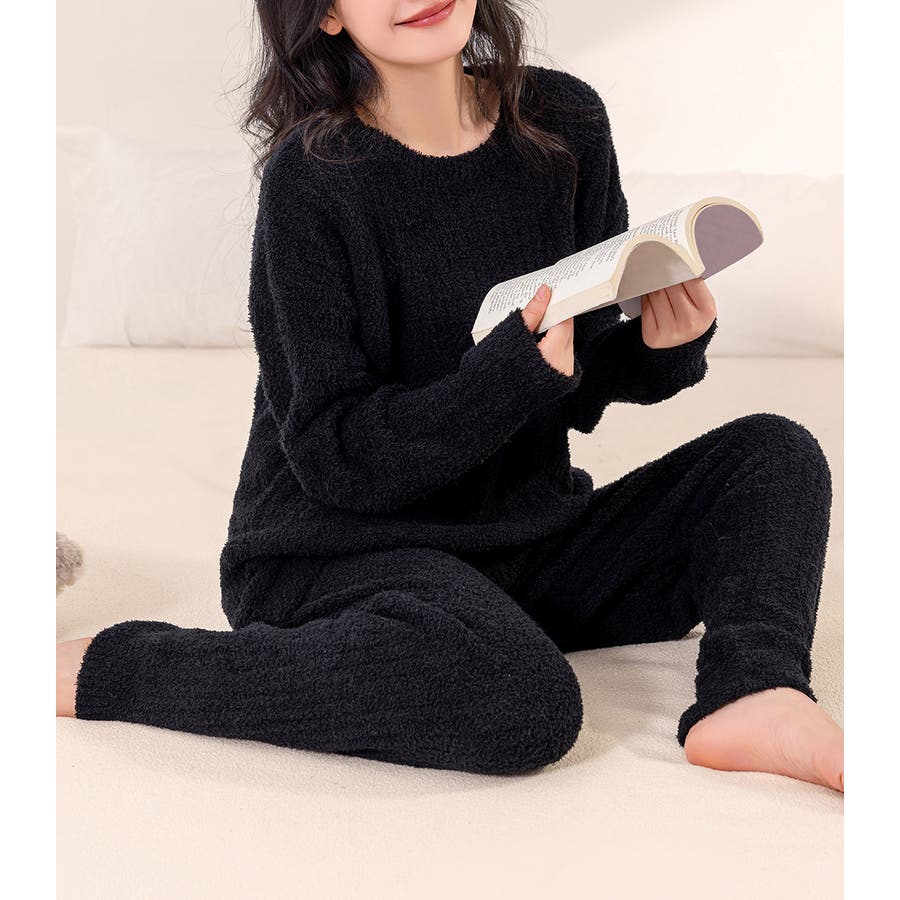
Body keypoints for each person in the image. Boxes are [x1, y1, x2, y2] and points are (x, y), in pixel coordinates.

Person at [57, 0, 843, 792]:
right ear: (325, 15)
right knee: (521, 702)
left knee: (772, 455)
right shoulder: (312, 181)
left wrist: (660, 348)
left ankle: (754, 692)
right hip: (337, 549)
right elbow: (335, 457)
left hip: (521, 538)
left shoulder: (564, 123)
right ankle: (118, 665)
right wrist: (506, 375)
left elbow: (573, 380)